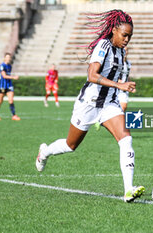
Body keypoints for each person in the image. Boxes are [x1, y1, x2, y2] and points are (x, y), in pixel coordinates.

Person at [35, 9, 145, 203]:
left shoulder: (121, 51)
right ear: (113, 30)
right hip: (88, 104)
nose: (127, 39)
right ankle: (44, 152)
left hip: (109, 104)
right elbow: (92, 76)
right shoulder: (103, 45)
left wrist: (122, 86)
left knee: (126, 139)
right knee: (71, 145)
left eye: (130, 36)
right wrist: (119, 85)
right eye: (124, 35)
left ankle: (128, 190)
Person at [0, 53, 21, 121]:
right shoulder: (2, 66)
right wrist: (13, 77)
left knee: (11, 100)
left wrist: (12, 78)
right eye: (7, 57)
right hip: (2, 85)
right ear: (4, 58)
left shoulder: (9, 66)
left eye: (9, 57)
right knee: (0, 100)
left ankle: (14, 115)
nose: (8, 58)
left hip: (9, 85)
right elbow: (4, 76)